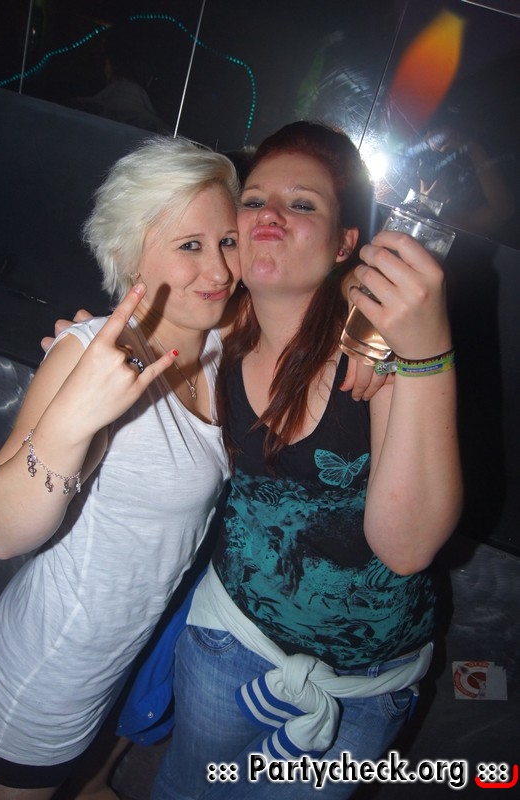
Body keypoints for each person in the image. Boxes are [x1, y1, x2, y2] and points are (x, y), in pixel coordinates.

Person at [151, 120, 463, 799]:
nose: (270, 214)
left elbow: (406, 548)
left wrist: (426, 352)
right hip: (227, 642)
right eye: (254, 199)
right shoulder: (218, 329)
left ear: (345, 243)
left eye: (302, 203)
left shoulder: (377, 357)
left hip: (361, 691)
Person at [0, 135, 242, 799]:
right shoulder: (89, 354)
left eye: (228, 241)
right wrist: (73, 423)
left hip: (110, 665)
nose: (219, 268)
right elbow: (1, 531)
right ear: (131, 258)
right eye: (190, 245)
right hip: (42, 679)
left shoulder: (220, 343)